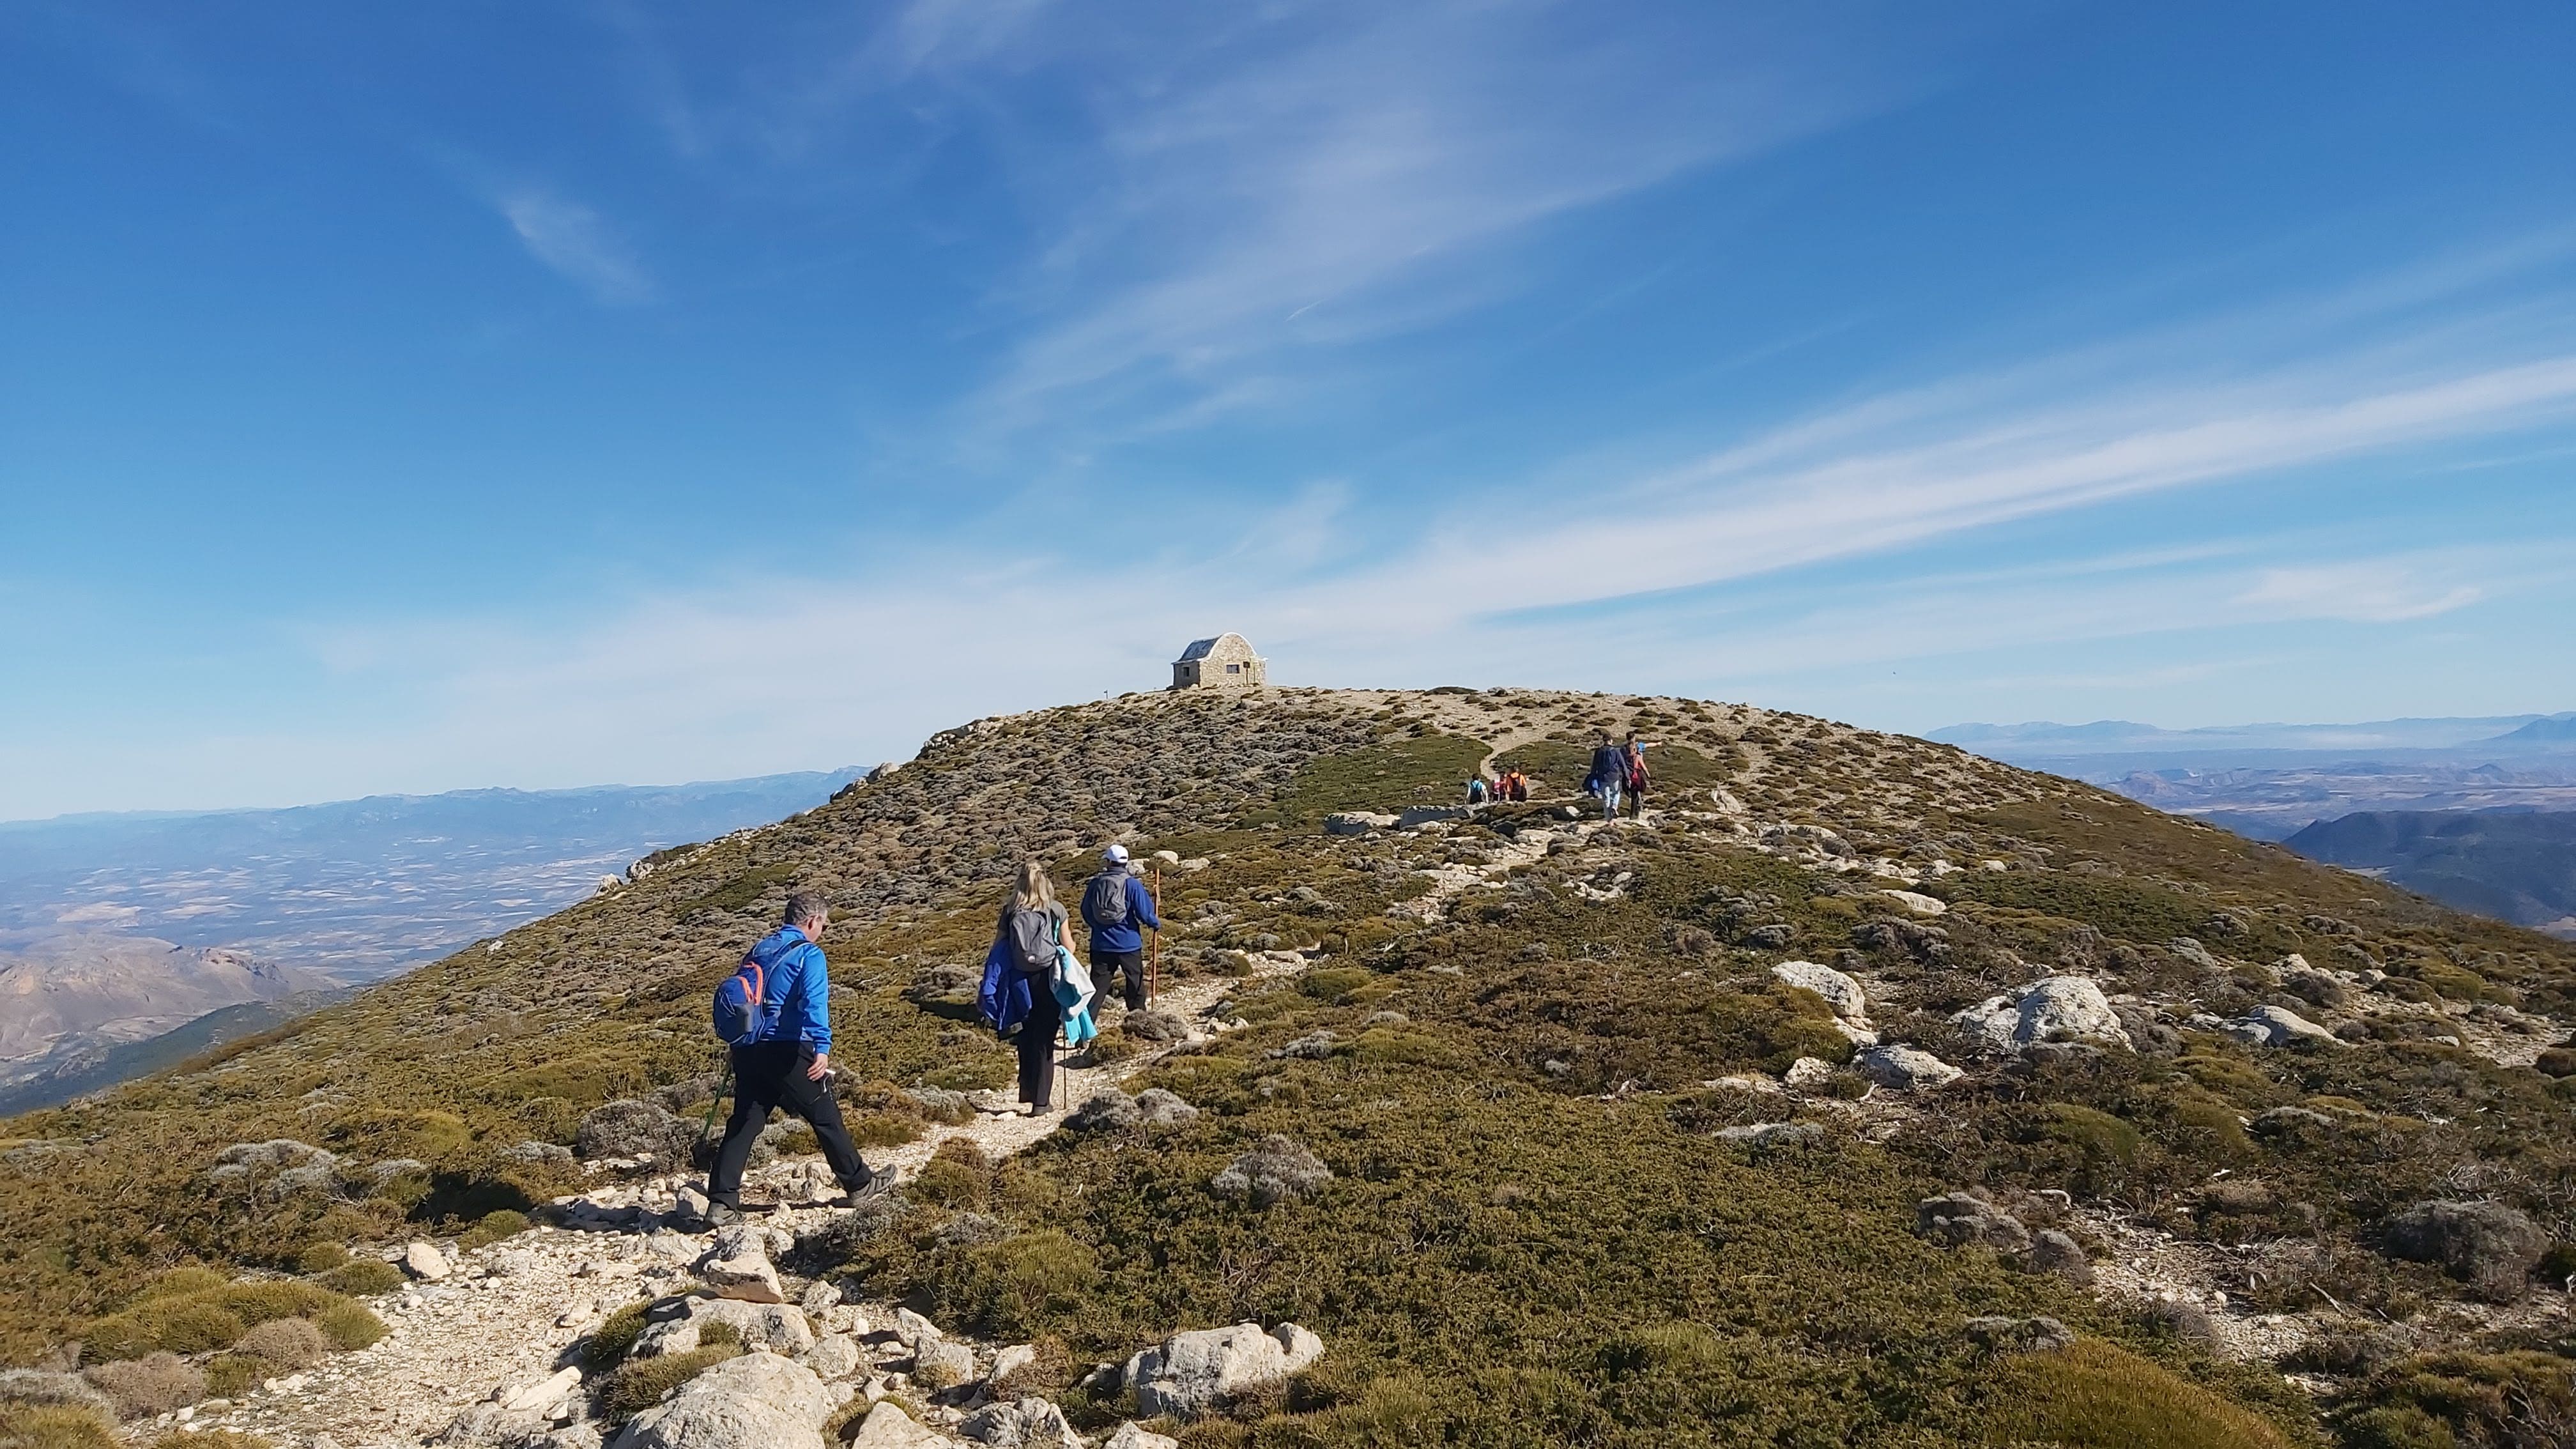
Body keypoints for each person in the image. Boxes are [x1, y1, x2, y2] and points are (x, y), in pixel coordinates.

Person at [703, 892, 888, 1225]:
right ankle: (860, 1184)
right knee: (825, 1115)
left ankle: (721, 1204)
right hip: (788, 1049)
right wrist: (822, 1046)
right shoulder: (808, 954)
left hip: (749, 1048)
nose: (823, 931)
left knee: (745, 1123)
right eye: (824, 925)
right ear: (812, 921)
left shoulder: (761, 948)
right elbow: (815, 1002)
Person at [994, 861, 1072, 1114]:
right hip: (1048, 978)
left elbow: (999, 946)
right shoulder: (1055, 910)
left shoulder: (1010, 911)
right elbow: (1069, 946)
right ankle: (1041, 1102)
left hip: (1019, 979)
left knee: (1026, 1034)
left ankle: (1027, 1091)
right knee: (1045, 1036)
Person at [1080, 845, 1162, 1012]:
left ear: (1109, 862)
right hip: (1129, 944)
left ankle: (1085, 1029)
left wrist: (1098, 927)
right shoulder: (1132, 885)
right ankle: (1138, 1018)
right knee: (1135, 983)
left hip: (1100, 945)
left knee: (1096, 989)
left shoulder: (1096, 883)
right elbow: (1145, 913)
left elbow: (1085, 910)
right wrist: (1155, 924)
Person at [1586, 733, 1629, 820]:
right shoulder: (1616, 751)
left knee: (1606, 798)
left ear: (1603, 741)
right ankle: (1614, 806)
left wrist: (1593, 777)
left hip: (1603, 778)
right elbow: (1622, 764)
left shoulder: (1599, 751)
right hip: (1614, 776)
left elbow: (1594, 766)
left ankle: (1609, 819)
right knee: (1616, 793)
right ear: (1611, 741)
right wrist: (1627, 776)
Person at [1623, 732, 1652, 819]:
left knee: (1630, 793)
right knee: (1635, 795)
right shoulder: (1637, 756)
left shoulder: (1623, 751)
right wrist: (1648, 775)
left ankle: (1632, 812)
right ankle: (1634, 814)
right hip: (1636, 775)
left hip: (1626, 774)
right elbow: (1643, 767)